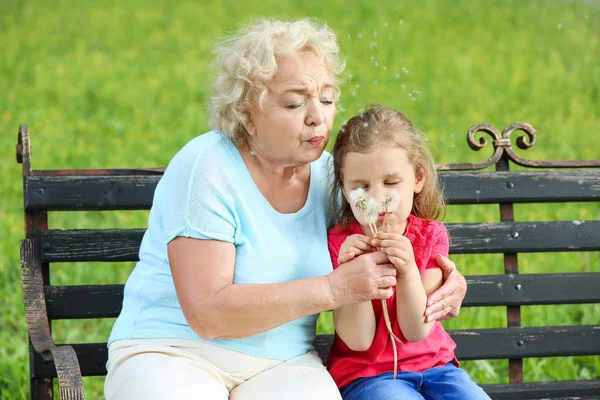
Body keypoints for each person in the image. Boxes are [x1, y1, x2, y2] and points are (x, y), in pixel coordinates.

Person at [104, 19, 467, 400]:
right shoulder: (206, 167)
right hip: (174, 352)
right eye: (295, 102)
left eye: (326, 99)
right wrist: (331, 288)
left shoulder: (331, 176)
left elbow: (400, 233)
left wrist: (445, 280)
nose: (318, 117)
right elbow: (208, 314)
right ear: (247, 112)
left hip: (283, 363)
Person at [326, 105, 489, 400]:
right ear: (344, 190)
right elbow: (359, 341)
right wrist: (351, 272)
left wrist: (408, 268)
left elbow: (415, 330)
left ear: (418, 179)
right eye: (361, 187)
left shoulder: (429, 236)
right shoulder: (342, 244)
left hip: (437, 367)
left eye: (390, 183)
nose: (377, 198)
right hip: (368, 375)